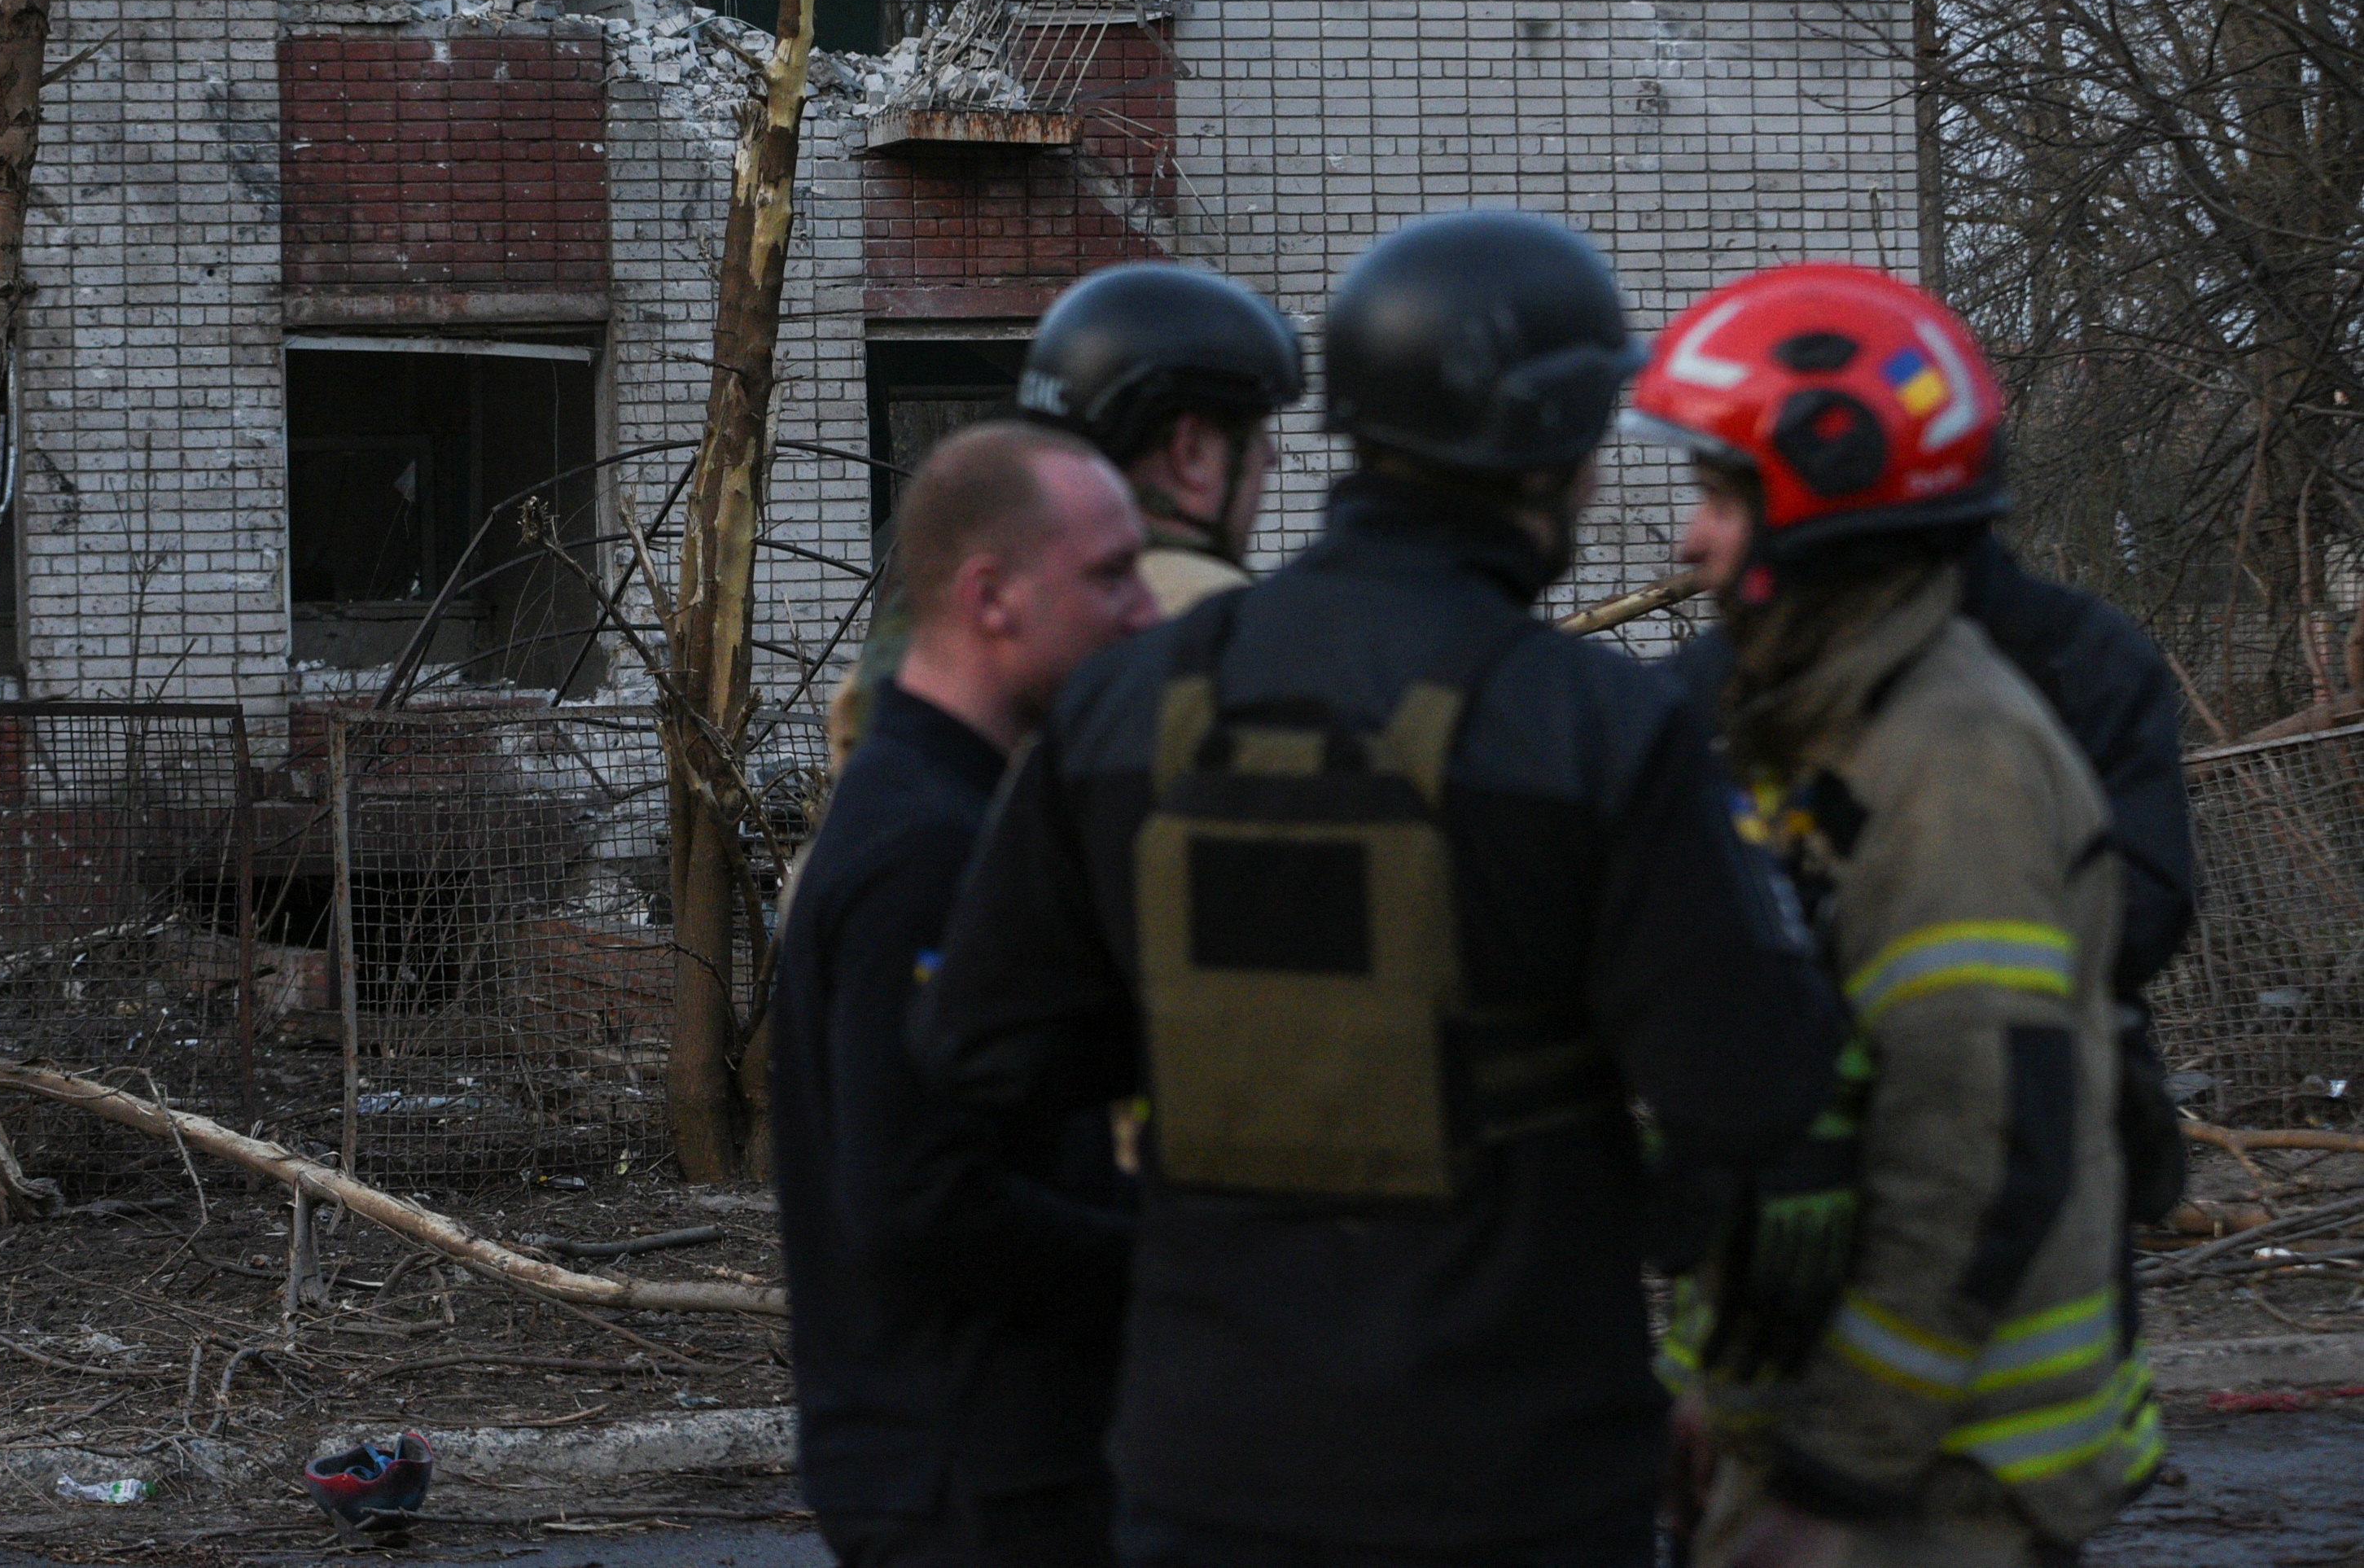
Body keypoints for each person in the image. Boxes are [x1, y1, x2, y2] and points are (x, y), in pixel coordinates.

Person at [913, 208, 1847, 1568]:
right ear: (1551, 449)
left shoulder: (1126, 703)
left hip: (1200, 1471)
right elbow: (1758, 1090)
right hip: (1519, 1477)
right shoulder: (1596, 725)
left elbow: (980, 1045)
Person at [1631, 264, 2162, 1565]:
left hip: (1930, 1476)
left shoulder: (1944, 759)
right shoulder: (1824, 726)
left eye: (1712, 497)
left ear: (1817, 504)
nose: (1684, 543)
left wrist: (1829, 1477)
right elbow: (1801, 1128)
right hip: (1839, 1429)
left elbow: (1978, 1138)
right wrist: (1724, 1388)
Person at [771, 421, 1162, 1568]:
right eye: (1107, 574)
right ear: (991, 596)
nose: (1141, 609)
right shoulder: (927, 850)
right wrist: (1176, 1262)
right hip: (972, 1480)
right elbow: (918, 1200)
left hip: (971, 1461)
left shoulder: (945, 808)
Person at [829, 262, 1303, 767]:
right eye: (1254, 437)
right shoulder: (1225, 627)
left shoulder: (943, 618)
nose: (1270, 457)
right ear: (1189, 453)